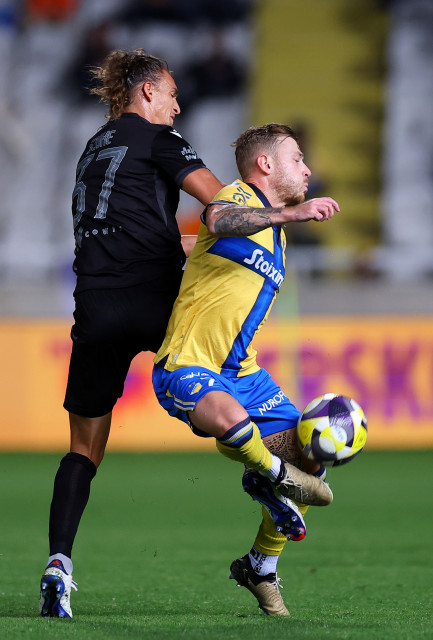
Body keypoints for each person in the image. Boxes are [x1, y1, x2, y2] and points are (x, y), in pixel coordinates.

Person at [39, 48, 224, 618]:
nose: (176, 105)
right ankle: (273, 474)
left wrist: (186, 243)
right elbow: (223, 201)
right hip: (155, 298)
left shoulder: (93, 148)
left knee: (83, 450)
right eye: (170, 93)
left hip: (95, 306)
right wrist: (275, 213)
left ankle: (59, 564)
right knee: (227, 384)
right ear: (146, 92)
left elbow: (134, 231)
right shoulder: (160, 139)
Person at [152, 123, 339, 616]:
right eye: (297, 159)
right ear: (266, 164)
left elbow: (199, 249)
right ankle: (271, 476)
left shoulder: (276, 234)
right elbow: (216, 218)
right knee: (232, 421)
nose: (308, 170)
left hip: (243, 374)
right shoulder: (238, 198)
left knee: (311, 452)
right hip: (189, 361)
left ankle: (261, 565)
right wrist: (291, 212)